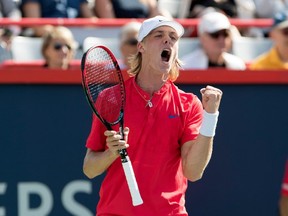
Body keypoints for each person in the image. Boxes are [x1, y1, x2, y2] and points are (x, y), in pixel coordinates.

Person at [83, 15, 223, 215]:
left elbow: (193, 172)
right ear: (141, 46)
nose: (168, 40)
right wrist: (111, 153)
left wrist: (210, 117)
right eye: (159, 35)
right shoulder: (109, 98)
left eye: (173, 37)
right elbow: (89, 168)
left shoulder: (189, 104)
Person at [181, 11, 246, 70]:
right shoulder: (187, 67)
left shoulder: (238, 65)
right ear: (202, 37)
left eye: (225, 34)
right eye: (215, 35)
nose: (222, 39)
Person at [20, 0, 95, 37]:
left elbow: (92, 22)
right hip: (49, 42)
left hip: (75, 41)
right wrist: (62, 35)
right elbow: (35, 26)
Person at [94, 0, 172, 18]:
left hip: (146, 34)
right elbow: (109, 22)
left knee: (164, 14)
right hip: (126, 37)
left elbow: (156, 13)